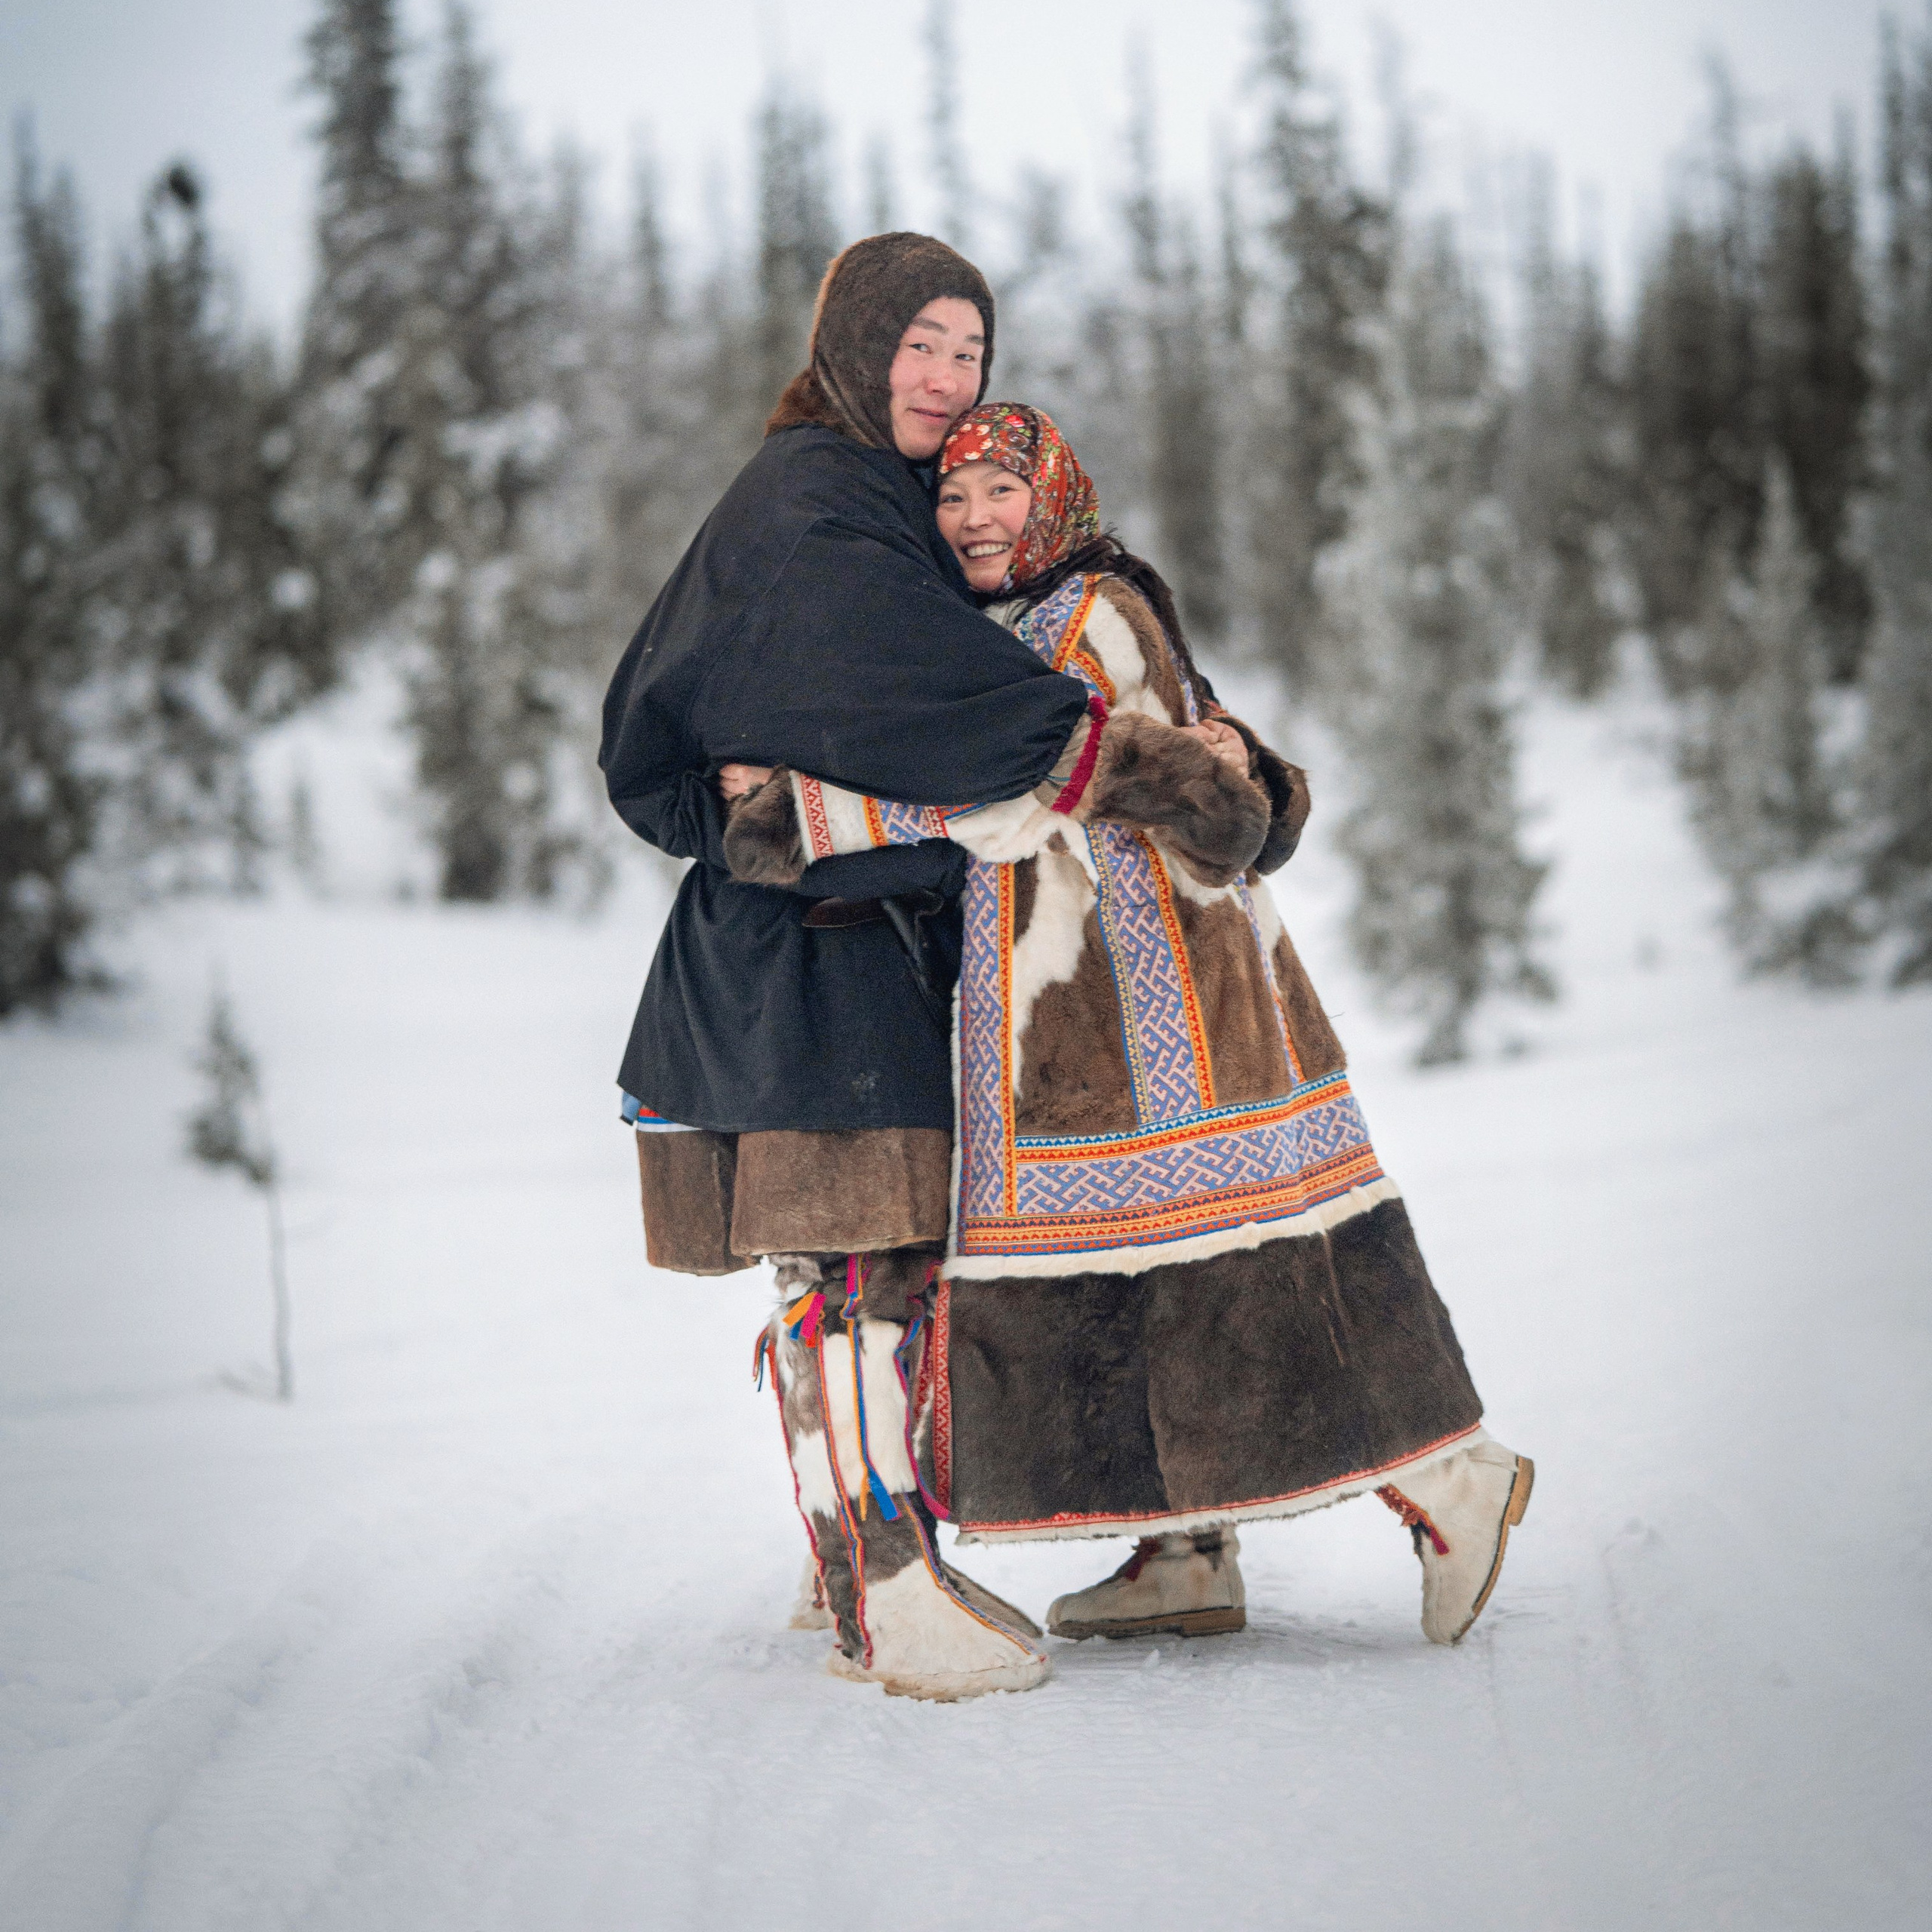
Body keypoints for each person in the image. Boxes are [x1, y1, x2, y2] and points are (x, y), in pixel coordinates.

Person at [723, 403, 1535, 1656]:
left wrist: (800, 815)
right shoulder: (1035, 614)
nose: (975, 517)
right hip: (1103, 997)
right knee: (1173, 1273)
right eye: (953, 496)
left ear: (1052, 494)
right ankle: (1187, 1552)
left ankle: (1449, 1478)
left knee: (1246, 1264)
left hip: (1165, 1003)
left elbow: (1013, 785)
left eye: (1001, 490)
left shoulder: (1088, 613)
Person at [601, 234, 1104, 1701]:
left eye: (970, 351)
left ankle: (854, 1567)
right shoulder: (818, 504)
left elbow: (719, 729)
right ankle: (890, 1600)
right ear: (856, 345)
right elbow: (936, 700)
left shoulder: (869, 500)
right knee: (857, 1271)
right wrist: (1104, 739)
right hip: (808, 963)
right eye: (918, 344)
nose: (945, 378)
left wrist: (759, 797)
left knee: (847, 1270)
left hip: (827, 952)